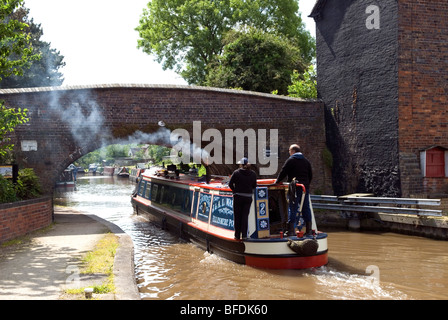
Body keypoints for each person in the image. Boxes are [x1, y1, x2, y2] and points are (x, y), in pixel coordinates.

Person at [275, 144, 313, 236]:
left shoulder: (291, 160)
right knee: (305, 207)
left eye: (289, 151)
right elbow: (310, 175)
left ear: (293, 151)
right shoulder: (306, 161)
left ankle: (291, 230)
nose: (289, 153)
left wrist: (277, 181)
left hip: (295, 188)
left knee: (292, 208)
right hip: (304, 188)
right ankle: (308, 230)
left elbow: (283, 172)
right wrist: (306, 185)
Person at [229, 157, 257, 240]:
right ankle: (244, 235)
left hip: (238, 197)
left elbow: (230, 184)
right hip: (248, 197)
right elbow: (254, 186)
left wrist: (235, 191)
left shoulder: (236, 172)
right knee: (245, 216)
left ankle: (237, 235)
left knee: (237, 216)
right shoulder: (253, 174)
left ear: (241, 164)